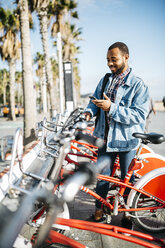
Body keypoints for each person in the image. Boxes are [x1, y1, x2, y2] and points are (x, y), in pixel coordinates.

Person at [84, 42, 150, 228]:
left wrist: (111, 108)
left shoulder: (138, 85)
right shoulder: (105, 79)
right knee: (102, 177)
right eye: (107, 60)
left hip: (127, 141)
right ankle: (98, 211)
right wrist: (90, 111)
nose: (110, 64)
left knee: (127, 181)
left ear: (126, 57)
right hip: (104, 139)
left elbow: (139, 115)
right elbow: (93, 100)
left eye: (114, 59)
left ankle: (128, 216)